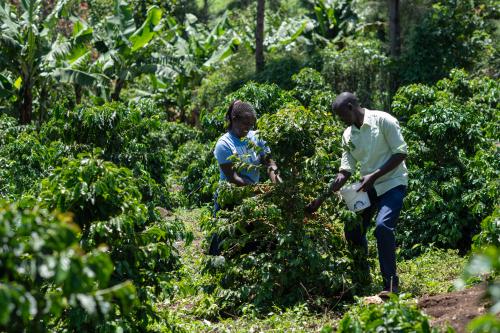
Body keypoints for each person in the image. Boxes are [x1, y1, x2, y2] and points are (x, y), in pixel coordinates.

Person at [306, 92, 408, 296]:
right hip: (368, 188)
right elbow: (345, 171)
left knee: (383, 227)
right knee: (352, 230)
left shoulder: (383, 120)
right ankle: (362, 278)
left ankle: (390, 286)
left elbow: (401, 152)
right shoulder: (348, 134)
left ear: (351, 107)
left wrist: (374, 176)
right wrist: (320, 199)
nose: (341, 119)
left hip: (393, 183)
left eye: (342, 114)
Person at [210, 100, 281, 255]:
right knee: (224, 241)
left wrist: (277, 182)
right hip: (229, 197)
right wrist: (257, 189)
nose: (248, 128)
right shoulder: (224, 144)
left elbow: (269, 163)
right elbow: (233, 177)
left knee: (252, 241)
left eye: (251, 124)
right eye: (245, 123)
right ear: (234, 119)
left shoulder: (256, 137)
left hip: (251, 195)